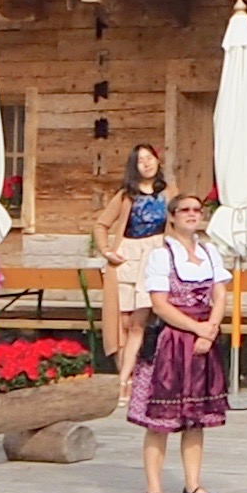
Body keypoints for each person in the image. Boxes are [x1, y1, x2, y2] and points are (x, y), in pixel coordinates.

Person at [126, 189, 231, 493]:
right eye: (184, 209)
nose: (191, 213)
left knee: (196, 418)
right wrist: (197, 327)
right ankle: (154, 489)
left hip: (203, 341)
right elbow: (159, 305)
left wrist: (210, 330)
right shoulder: (162, 255)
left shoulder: (211, 252)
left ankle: (193, 484)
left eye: (197, 209)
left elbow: (221, 295)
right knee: (161, 421)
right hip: (172, 343)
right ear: (171, 216)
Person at [93, 142, 173, 389]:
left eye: (150, 158)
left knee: (139, 321)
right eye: (141, 160)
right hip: (128, 254)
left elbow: (178, 220)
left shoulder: (168, 191)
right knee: (123, 323)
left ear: (158, 161)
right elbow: (101, 224)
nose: (147, 163)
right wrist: (107, 250)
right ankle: (128, 376)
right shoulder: (126, 195)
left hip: (155, 254)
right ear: (134, 167)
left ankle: (125, 380)